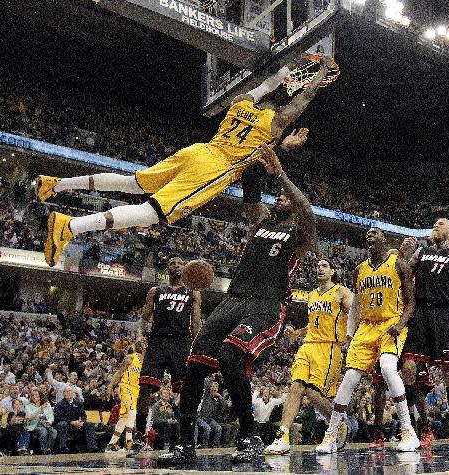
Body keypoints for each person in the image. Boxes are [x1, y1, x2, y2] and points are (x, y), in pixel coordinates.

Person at [36, 54, 334, 267]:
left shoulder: (239, 104)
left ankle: (55, 184)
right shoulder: (276, 125)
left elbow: (263, 88)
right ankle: (70, 226)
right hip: (213, 168)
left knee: (133, 182)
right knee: (152, 212)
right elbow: (303, 99)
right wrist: (322, 71)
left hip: (197, 151)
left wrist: (281, 75)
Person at [158, 144, 315, 465]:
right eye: (279, 195)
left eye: (285, 196)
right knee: (194, 367)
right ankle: (184, 445)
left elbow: (306, 208)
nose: (280, 198)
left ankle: (249, 435)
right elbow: (251, 192)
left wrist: (280, 173)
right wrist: (258, 156)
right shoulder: (261, 221)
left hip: (267, 305)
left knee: (231, 355)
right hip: (234, 300)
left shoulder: (301, 231)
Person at [316, 227, 419, 453]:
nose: (369, 236)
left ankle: (408, 431)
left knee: (388, 368)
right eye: (367, 235)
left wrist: (400, 325)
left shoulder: (398, 264)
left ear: (384, 239)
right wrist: (350, 334)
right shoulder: (359, 270)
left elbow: (411, 302)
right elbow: (356, 308)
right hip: (366, 328)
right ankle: (331, 434)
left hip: (390, 323)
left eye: (375, 234)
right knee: (350, 377)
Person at [398, 219, 449, 448]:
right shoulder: (421, 251)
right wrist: (401, 254)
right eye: (434, 223)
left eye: (440, 224)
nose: (435, 225)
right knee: (408, 367)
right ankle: (412, 425)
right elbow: (403, 274)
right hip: (420, 313)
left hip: (444, 315)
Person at [264, 258, 353, 454]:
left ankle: (338, 421)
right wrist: (297, 333)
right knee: (296, 386)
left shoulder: (341, 292)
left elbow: (356, 312)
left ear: (332, 271)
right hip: (308, 345)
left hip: (329, 348)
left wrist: (350, 334)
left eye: (324, 266)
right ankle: (283, 436)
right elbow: (314, 325)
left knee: (313, 393)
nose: (320, 268)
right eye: (318, 266)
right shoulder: (312, 295)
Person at [135, 256, 202, 439]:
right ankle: (140, 436)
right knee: (145, 389)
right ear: (167, 268)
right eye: (173, 263)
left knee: (184, 391)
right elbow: (144, 318)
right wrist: (140, 335)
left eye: (181, 263)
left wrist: (198, 346)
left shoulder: (193, 292)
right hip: (158, 341)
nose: (177, 266)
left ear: (185, 269)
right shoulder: (155, 291)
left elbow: (196, 324)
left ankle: (184, 439)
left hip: (181, 342)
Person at [105, 343, 145, 454]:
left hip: (136, 390)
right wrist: (110, 387)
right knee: (132, 412)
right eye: (142, 343)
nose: (144, 345)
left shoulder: (147, 361)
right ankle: (129, 443)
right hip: (125, 386)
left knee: (124, 418)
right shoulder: (131, 357)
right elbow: (119, 373)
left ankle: (111, 444)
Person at [54, 386, 98, 453]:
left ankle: (92, 447)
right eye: (66, 392)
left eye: (69, 391)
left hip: (78, 423)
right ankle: (63, 447)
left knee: (90, 424)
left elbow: (84, 415)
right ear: (63, 394)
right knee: (62, 424)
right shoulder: (59, 404)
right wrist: (71, 422)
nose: (68, 393)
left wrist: (81, 421)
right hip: (67, 424)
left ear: (73, 393)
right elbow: (58, 417)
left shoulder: (78, 403)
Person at [25, 387, 57, 455]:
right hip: (33, 425)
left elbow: (51, 415)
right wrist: (40, 408)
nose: (34, 396)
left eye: (36, 395)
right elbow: (30, 417)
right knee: (43, 430)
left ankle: (49, 449)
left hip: (45, 424)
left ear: (40, 395)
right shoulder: (28, 406)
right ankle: (44, 450)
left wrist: (50, 421)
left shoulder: (47, 404)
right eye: (32, 395)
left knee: (54, 432)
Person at [196, 381, 224, 448]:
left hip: (210, 419)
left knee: (219, 428)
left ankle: (215, 446)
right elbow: (206, 386)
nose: (214, 388)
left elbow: (223, 405)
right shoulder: (206, 395)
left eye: (215, 387)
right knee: (207, 428)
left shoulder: (217, 399)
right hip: (201, 417)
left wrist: (219, 396)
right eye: (212, 386)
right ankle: (205, 446)